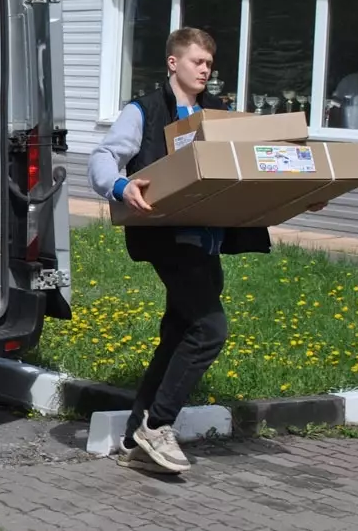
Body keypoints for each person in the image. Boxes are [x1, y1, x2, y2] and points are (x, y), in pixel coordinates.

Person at [88, 27, 326, 474]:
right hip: (168, 238)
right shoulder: (144, 110)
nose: (205, 70)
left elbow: (259, 165)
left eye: (210, 64)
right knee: (210, 328)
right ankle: (158, 426)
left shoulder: (220, 116)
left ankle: (136, 434)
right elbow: (103, 157)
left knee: (179, 332)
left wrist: (301, 191)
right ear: (173, 62)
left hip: (210, 241)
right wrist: (120, 186)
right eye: (197, 61)